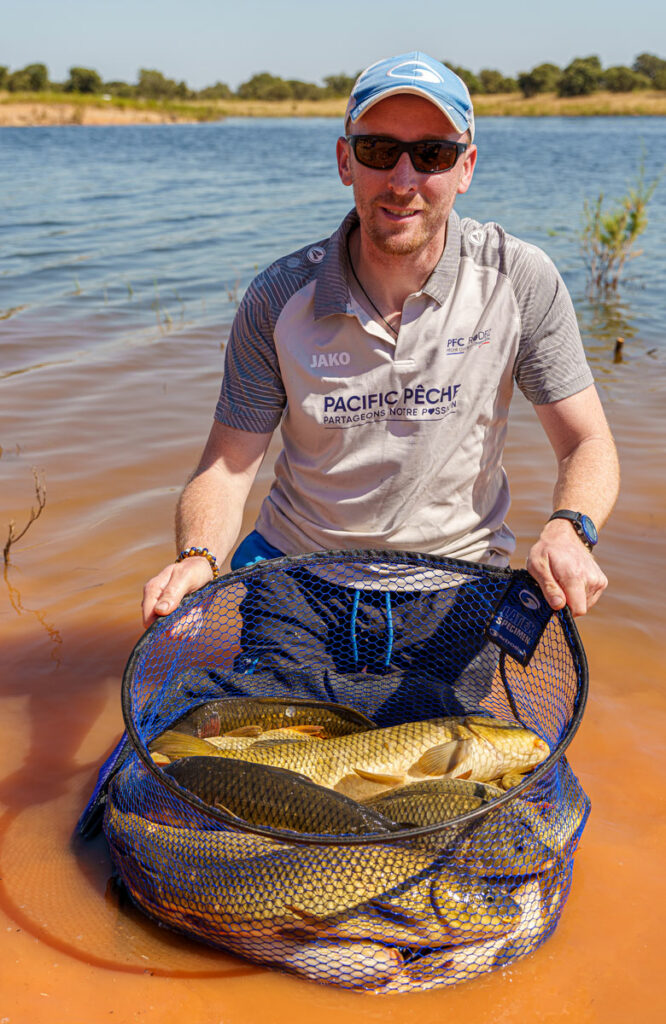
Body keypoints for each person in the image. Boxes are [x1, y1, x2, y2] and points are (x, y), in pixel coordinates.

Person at [142, 51, 619, 643]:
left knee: (459, 737)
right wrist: (199, 558)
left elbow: (587, 441)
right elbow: (227, 467)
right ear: (346, 160)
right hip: (300, 578)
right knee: (260, 735)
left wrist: (570, 528)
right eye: (377, 151)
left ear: (465, 167)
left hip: (459, 583)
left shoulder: (518, 278)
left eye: (432, 155)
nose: (402, 179)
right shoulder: (277, 296)